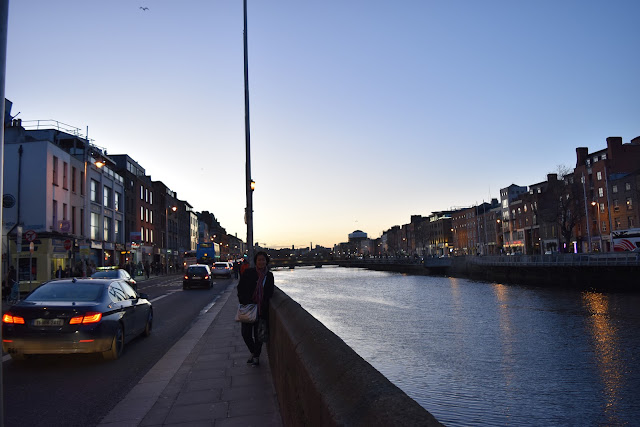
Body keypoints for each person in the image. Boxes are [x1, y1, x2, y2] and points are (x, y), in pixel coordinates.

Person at [236, 251, 274, 367]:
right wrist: (244, 301)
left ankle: (256, 356)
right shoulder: (248, 273)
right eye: (259, 260)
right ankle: (253, 352)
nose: (261, 262)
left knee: (258, 336)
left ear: (266, 261)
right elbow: (240, 288)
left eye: (263, 260)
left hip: (261, 310)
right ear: (256, 261)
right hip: (249, 308)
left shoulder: (269, 276)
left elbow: (270, 292)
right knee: (245, 334)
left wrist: (262, 302)